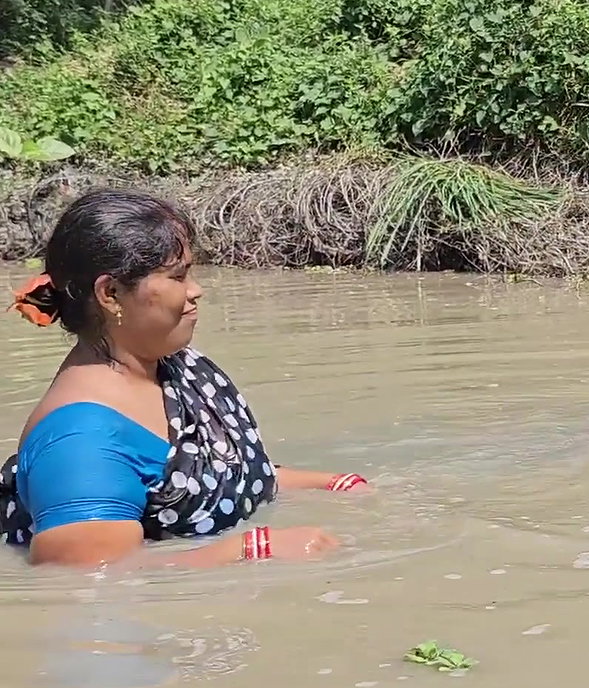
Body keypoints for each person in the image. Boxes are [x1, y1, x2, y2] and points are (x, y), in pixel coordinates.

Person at [2, 189, 368, 568]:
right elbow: (89, 578)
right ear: (110, 294)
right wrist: (251, 548)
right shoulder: (81, 442)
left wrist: (332, 484)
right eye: (178, 276)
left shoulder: (169, 367)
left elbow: (222, 473)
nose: (196, 291)